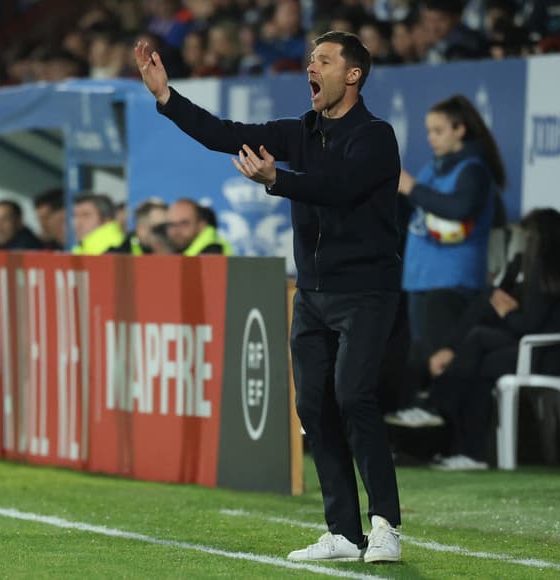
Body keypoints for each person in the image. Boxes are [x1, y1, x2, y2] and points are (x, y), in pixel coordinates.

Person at [136, 30, 403, 563]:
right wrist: (166, 98)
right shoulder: (299, 131)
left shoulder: (375, 136)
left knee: (353, 397)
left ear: (352, 75)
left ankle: (386, 525)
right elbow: (225, 133)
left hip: (365, 291)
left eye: (324, 60)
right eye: (310, 60)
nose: (312, 67)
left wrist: (277, 179)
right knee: (314, 407)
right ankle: (344, 534)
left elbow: (340, 189)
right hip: (312, 293)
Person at [399, 209, 560, 469]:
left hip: (550, 356)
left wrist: (504, 308)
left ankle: (441, 414)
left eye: (525, 238)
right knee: (478, 344)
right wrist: (511, 275)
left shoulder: (551, 270)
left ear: (539, 239)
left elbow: (528, 325)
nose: (522, 243)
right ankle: (449, 426)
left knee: (478, 354)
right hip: (552, 351)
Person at [387, 94, 505, 426]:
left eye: (438, 130)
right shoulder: (432, 168)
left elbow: (458, 209)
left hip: (452, 282)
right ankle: (430, 442)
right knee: (421, 358)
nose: (431, 138)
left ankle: (462, 444)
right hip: (419, 279)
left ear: (460, 130)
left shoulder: (474, 172)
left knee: (446, 360)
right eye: (428, 131)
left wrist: (410, 188)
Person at [166, 199, 233, 256]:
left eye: (184, 223)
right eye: (172, 225)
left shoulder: (213, 252)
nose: (177, 230)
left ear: (202, 225)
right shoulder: (180, 250)